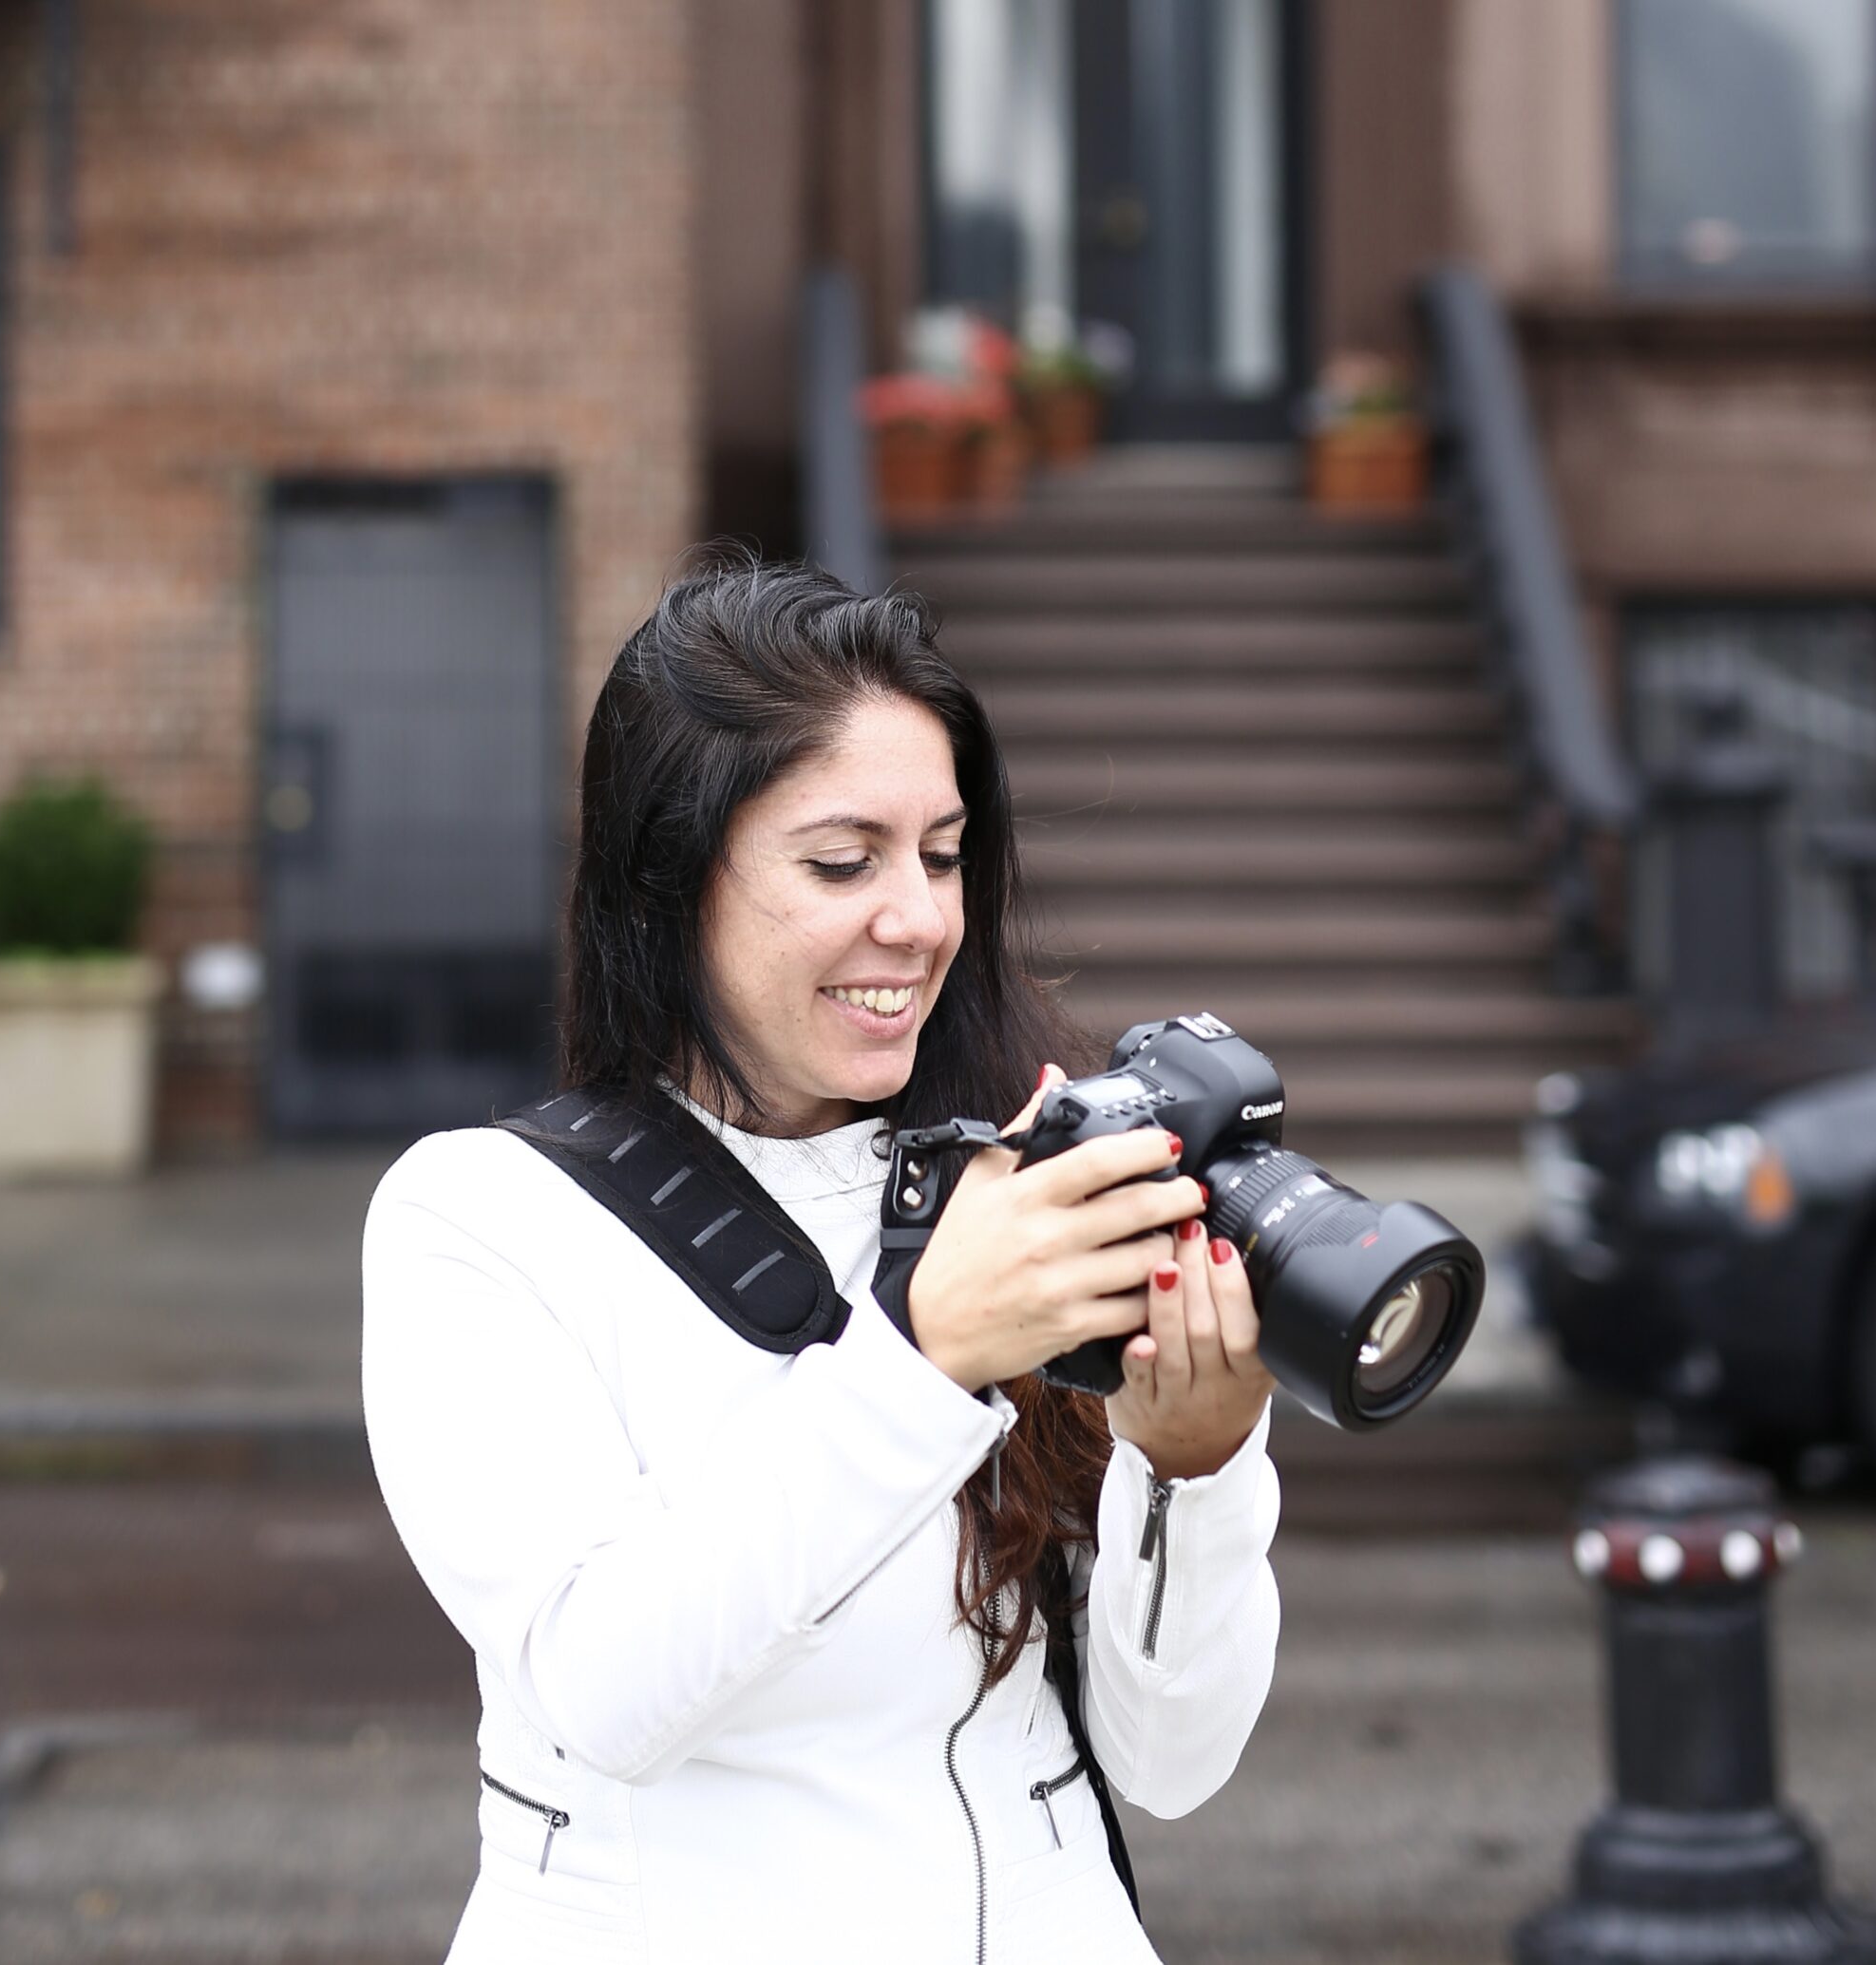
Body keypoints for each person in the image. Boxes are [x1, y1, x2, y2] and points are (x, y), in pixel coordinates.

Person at [363, 556, 1279, 1963]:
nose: (915, 917)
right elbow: (609, 1691)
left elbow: (1172, 1764)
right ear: (672, 881)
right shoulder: (486, 1222)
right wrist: (924, 1353)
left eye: (943, 852)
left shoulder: (1018, 1174)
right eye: (841, 861)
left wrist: (1196, 1473)